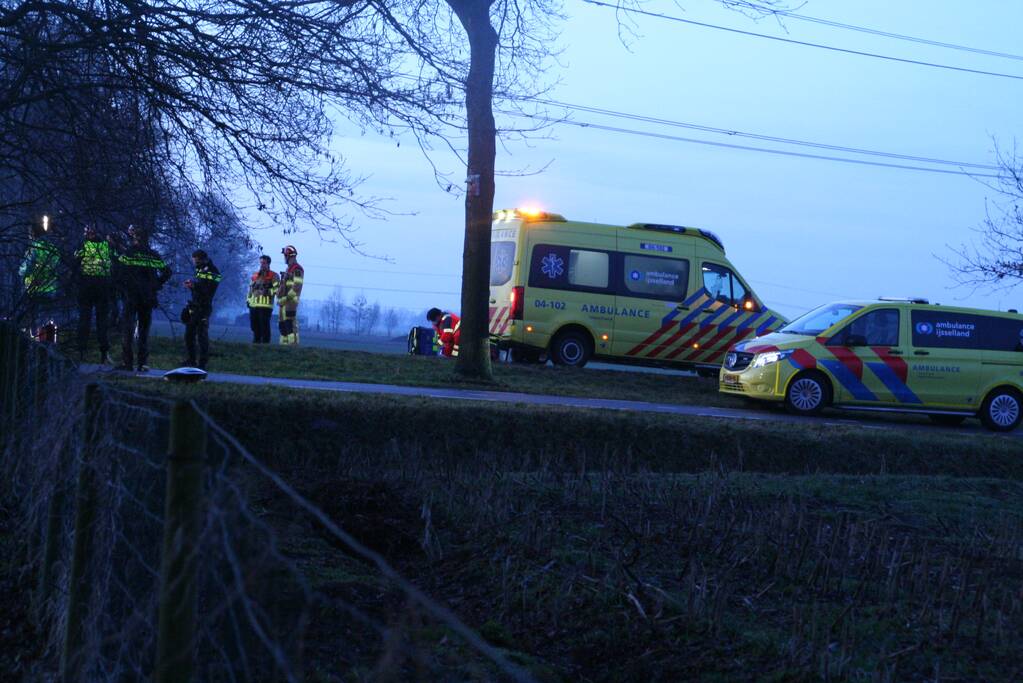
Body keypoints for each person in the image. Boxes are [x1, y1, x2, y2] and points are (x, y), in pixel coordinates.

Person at [113, 226, 171, 371]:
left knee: (128, 330)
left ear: (135, 239)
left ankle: (128, 363)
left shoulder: (129, 254)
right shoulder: (153, 255)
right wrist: (157, 284)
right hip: (147, 298)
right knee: (144, 331)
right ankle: (143, 363)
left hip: (131, 297)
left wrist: (122, 287)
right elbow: (167, 272)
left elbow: (116, 271)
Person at [74, 223, 114, 364]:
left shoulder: (83, 245)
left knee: (84, 319)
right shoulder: (106, 246)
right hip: (103, 287)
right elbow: (115, 260)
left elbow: (75, 261)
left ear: (87, 233)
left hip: (86, 286)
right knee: (102, 321)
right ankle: (104, 353)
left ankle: (81, 351)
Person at [18, 216, 61, 341]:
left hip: (34, 288)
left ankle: (34, 343)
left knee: (33, 317)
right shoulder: (53, 248)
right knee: (47, 317)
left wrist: (21, 273)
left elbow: (26, 267)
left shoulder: (34, 247)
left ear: (33, 233)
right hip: (50, 288)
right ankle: (48, 342)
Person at [182, 249, 222, 369]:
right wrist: (192, 286)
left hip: (203, 307)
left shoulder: (213, 271)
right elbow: (201, 286)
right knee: (189, 334)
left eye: (195, 260)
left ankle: (202, 363)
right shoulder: (200, 269)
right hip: (195, 305)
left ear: (200, 258)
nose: (194, 263)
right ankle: (191, 360)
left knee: (201, 335)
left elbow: (208, 290)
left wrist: (194, 286)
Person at [247, 255, 279, 343]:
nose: (262, 265)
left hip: (265, 306)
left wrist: (267, 292)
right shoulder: (255, 275)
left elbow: (277, 290)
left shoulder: (274, 275)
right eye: (261, 263)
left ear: (268, 264)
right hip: (253, 305)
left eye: (264, 263)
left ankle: (265, 344)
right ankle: (256, 342)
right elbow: (250, 289)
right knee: (254, 326)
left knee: (264, 326)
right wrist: (248, 301)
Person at [277, 245, 304, 345]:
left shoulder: (297, 269)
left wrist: (286, 298)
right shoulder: (288, 269)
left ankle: (293, 346)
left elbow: (296, 287)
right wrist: (279, 296)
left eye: (285, 255)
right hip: (283, 301)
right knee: (282, 325)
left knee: (290, 325)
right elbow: (283, 285)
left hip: (291, 302)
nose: (284, 258)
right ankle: (284, 346)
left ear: (290, 256)